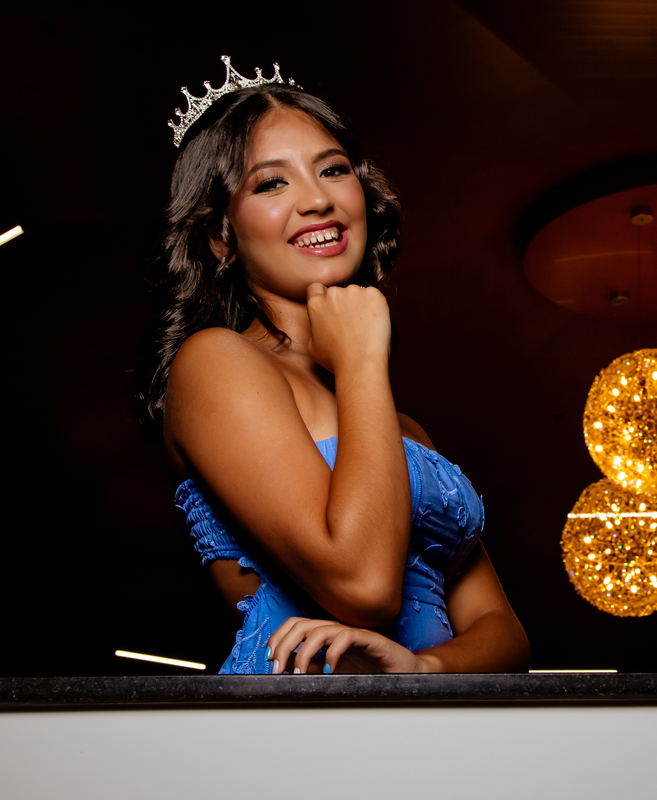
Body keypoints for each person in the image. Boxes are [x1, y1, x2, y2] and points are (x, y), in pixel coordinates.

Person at [136, 58, 530, 675]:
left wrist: (420, 669)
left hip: (433, 717)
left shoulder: (405, 430)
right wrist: (362, 359)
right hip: (304, 717)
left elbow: (503, 633)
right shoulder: (214, 363)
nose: (318, 199)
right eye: (271, 184)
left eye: (333, 170)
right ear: (220, 236)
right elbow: (363, 587)